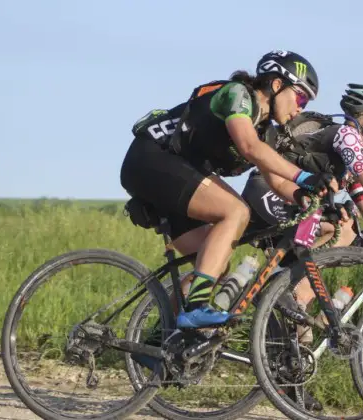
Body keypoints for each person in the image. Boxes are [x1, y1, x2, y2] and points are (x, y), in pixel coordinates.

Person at [120, 50, 337, 330]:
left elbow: (277, 179)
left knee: (214, 261)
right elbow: (248, 146)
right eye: (301, 97)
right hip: (151, 158)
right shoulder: (237, 95)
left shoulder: (265, 131)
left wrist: (306, 196)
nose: (300, 109)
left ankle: (162, 340)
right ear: (276, 85)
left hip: (178, 170)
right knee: (235, 212)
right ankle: (197, 308)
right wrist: (306, 175)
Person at [242, 83, 363, 339]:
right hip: (269, 187)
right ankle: (287, 292)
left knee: (348, 225)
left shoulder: (348, 161)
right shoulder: (347, 136)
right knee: (342, 229)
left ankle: (283, 318)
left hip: (290, 199)